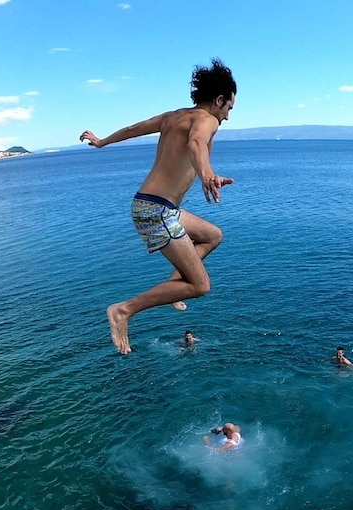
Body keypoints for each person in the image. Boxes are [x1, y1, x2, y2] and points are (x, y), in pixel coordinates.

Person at [80, 58, 237, 354]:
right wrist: (207, 175)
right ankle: (124, 310)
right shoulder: (208, 120)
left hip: (153, 206)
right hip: (157, 212)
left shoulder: (174, 116)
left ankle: (174, 288)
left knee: (212, 235)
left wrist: (102, 142)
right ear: (219, 100)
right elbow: (196, 145)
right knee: (201, 286)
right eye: (229, 108)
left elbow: (133, 128)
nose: (227, 116)